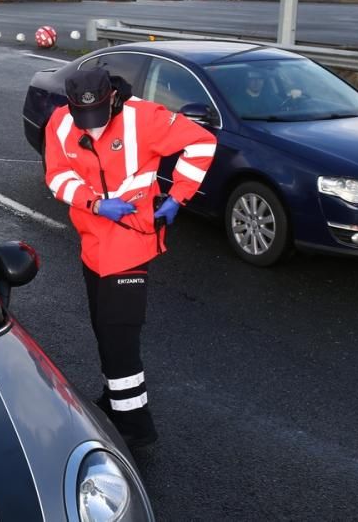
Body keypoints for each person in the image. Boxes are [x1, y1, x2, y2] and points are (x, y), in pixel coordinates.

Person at [44, 64, 216, 449]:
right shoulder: (59, 122)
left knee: (120, 334)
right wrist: (93, 202)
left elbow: (202, 143)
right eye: (82, 119)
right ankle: (115, 397)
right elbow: (56, 176)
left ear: (112, 100)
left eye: (97, 118)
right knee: (103, 327)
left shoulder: (145, 118)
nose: (90, 129)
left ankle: (135, 425)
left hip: (132, 241)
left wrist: (178, 196)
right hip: (93, 241)